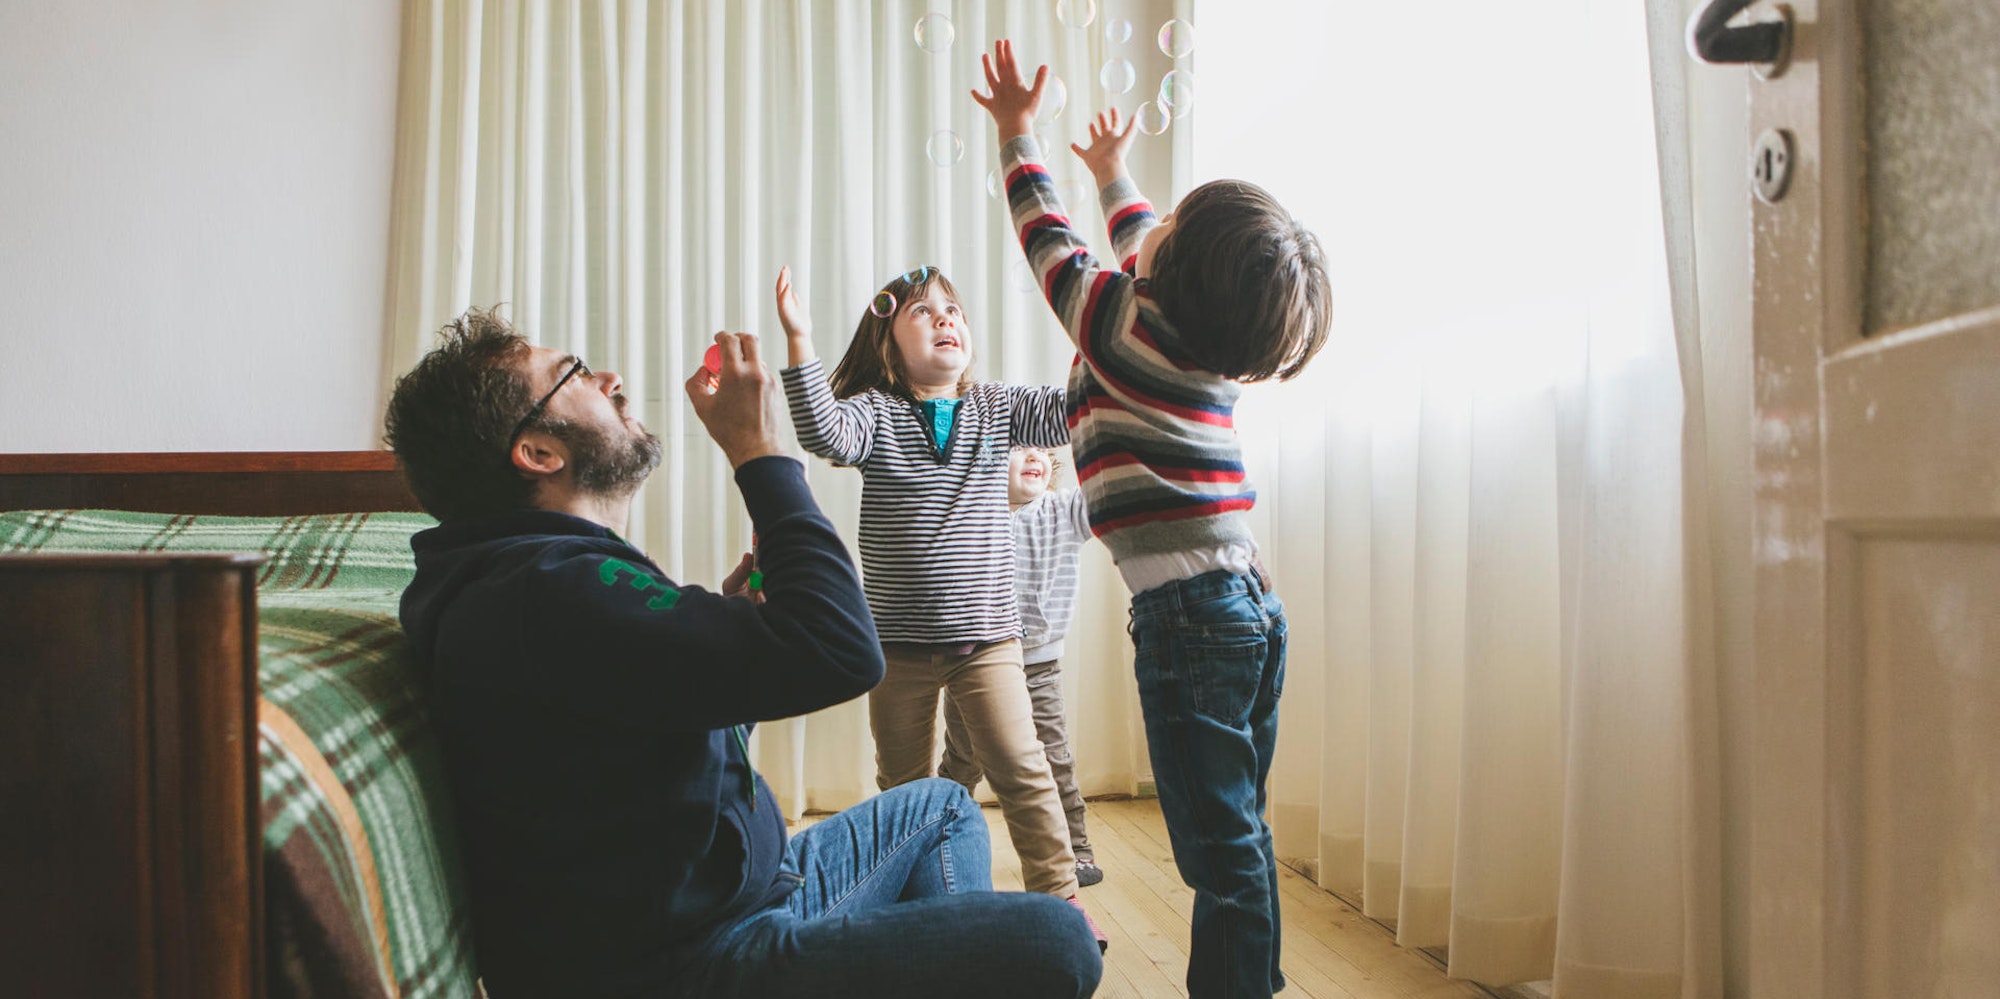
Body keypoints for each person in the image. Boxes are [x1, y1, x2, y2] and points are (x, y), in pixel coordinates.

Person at [383, 308, 1102, 999]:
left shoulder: (544, 583)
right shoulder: (554, 590)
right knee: (1058, 943)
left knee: (943, 805)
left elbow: (655, 746)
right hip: (697, 968)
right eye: (572, 374)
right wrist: (759, 451)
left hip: (742, 900)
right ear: (538, 452)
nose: (610, 380)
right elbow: (846, 649)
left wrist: (734, 636)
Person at [972, 39, 1334, 999]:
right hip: (1247, 607)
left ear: (1171, 270)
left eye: (1168, 222)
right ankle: (1254, 976)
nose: (1149, 226)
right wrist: (1115, 171)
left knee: (1219, 851)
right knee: (1239, 832)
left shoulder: (1117, 321)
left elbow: (1048, 239)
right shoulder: (1191, 336)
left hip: (1192, 621)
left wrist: (1019, 135)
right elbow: (1145, 240)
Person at [773, 265, 1106, 946]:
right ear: (889, 345)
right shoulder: (875, 414)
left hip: (989, 640)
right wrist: (800, 341)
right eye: (923, 311)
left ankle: (1063, 902)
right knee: (905, 786)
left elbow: (1073, 407)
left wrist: (1102, 330)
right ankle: (915, 907)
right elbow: (822, 433)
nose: (945, 318)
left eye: (952, 308)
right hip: (895, 646)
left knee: (1022, 766)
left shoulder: (996, 407)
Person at [938, 446, 1103, 888]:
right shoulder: (972, 513)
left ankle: (1077, 850)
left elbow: (1104, 493)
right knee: (963, 758)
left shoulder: (1064, 510)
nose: (1034, 456)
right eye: (1018, 448)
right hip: (975, 664)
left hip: (1039, 664)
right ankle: (934, 841)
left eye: (1042, 451)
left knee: (1054, 756)